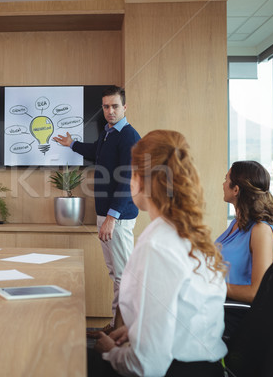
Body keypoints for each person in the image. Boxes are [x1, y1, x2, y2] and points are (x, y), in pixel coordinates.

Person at [88, 130, 228, 377]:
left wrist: (109, 351)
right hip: (202, 363)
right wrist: (134, 330)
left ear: (140, 179)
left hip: (178, 370)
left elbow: (146, 366)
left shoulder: (158, 246)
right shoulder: (188, 232)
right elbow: (180, 310)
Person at [54, 85, 140, 332]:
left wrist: (112, 218)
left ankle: (124, 330)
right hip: (107, 215)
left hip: (118, 217)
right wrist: (73, 144)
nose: (110, 111)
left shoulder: (129, 136)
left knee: (124, 276)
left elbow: (127, 179)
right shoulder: (108, 133)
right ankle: (116, 324)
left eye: (115, 106)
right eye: (106, 106)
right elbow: (97, 151)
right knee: (115, 273)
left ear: (125, 107)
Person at [216, 160, 273, 337]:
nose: (223, 184)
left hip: (234, 313)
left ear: (236, 189)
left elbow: (257, 292)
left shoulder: (260, 230)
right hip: (218, 301)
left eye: (226, 179)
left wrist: (213, 287)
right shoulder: (237, 223)